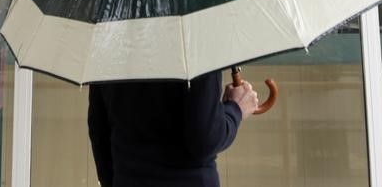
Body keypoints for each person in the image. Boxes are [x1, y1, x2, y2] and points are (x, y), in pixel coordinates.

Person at [88, 70, 259, 187]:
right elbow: (205, 140)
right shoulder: (196, 38)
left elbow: (98, 132)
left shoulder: (109, 44)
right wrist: (235, 109)